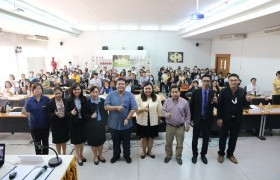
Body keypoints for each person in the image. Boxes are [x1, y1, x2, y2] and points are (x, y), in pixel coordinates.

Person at [217, 74, 251, 164]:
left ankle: (230, 154)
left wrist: (247, 100)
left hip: (237, 119)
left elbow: (245, 105)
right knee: (222, 137)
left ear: (238, 81)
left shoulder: (242, 91)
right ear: (228, 81)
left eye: (235, 80)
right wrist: (219, 118)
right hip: (225, 119)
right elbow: (220, 106)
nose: (233, 82)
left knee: (233, 138)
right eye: (231, 80)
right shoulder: (223, 91)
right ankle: (221, 154)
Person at [104, 78, 138, 164]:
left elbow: (134, 108)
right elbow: (106, 107)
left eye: (122, 84)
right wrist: (116, 108)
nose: (120, 86)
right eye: (119, 84)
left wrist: (128, 118)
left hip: (126, 123)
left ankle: (127, 156)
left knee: (126, 142)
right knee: (115, 142)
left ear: (125, 85)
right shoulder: (110, 94)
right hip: (113, 123)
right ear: (116, 85)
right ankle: (116, 155)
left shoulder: (130, 95)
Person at [190, 75, 218, 164]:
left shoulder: (213, 92)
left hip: (208, 119)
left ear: (210, 82)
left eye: (208, 81)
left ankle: (203, 154)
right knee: (195, 138)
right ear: (201, 82)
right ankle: (195, 154)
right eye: (204, 81)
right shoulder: (196, 92)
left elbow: (217, 106)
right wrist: (191, 119)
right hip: (197, 119)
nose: (206, 83)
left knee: (206, 138)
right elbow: (191, 106)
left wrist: (216, 102)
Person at [162, 84, 191, 165]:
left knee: (180, 143)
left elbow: (188, 114)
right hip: (169, 126)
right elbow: (163, 111)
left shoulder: (185, 102)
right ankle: (168, 155)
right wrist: (165, 114)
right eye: (173, 92)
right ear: (170, 93)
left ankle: (178, 156)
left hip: (180, 126)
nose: (175, 93)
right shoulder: (167, 101)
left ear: (179, 92)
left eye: (176, 92)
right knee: (168, 142)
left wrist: (187, 125)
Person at [135, 82, 162, 159]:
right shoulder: (138, 97)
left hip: (153, 121)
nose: (148, 90)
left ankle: (150, 151)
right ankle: (143, 151)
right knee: (143, 137)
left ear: (152, 89)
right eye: (146, 89)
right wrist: (143, 109)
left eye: (149, 88)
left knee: (151, 137)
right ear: (143, 89)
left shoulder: (157, 97)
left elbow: (160, 109)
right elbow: (135, 109)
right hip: (142, 121)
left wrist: (159, 119)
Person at [23, 83, 50, 155]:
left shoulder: (46, 99)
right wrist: (25, 113)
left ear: (42, 90)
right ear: (32, 90)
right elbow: (27, 114)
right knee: (37, 144)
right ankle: (39, 158)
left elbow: (50, 111)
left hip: (45, 125)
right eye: (35, 89)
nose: (37, 90)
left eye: (39, 88)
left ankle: (45, 158)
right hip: (34, 126)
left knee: (45, 144)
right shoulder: (29, 101)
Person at [84, 86, 108, 165]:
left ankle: (100, 155)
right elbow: (84, 115)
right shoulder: (87, 103)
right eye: (93, 92)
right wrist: (91, 116)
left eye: (96, 92)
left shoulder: (103, 101)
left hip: (101, 125)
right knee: (93, 142)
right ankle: (95, 156)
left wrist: (106, 123)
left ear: (99, 92)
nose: (95, 94)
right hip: (91, 126)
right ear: (90, 93)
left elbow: (105, 114)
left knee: (101, 142)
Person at [65, 83, 88, 166]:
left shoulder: (84, 98)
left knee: (82, 141)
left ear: (81, 90)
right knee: (76, 141)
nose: (77, 91)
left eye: (78, 89)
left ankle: (81, 154)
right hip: (73, 123)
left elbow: (86, 110)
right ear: (72, 90)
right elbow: (66, 112)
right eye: (75, 89)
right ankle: (78, 157)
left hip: (82, 122)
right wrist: (71, 113)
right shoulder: (68, 99)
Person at [48, 87, 69, 155]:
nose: (58, 95)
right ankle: (59, 154)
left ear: (62, 93)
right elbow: (48, 114)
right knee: (57, 141)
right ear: (54, 94)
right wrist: (54, 114)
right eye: (56, 93)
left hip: (64, 123)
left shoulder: (66, 100)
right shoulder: (51, 102)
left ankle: (64, 153)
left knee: (64, 140)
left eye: (59, 93)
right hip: (55, 124)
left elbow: (68, 111)